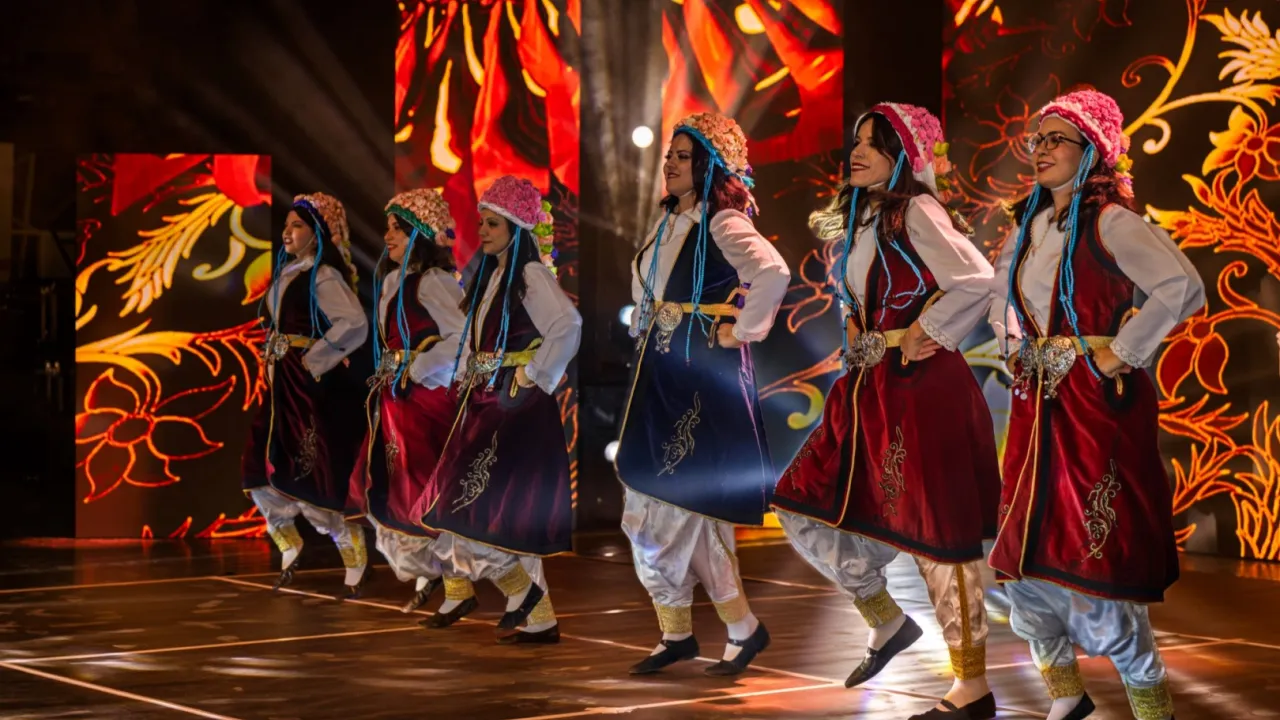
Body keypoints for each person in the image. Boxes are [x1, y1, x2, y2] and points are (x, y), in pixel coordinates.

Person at [771, 103, 1001, 719]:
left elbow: (977, 278)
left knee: (938, 538)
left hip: (921, 391)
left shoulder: (915, 210)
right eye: (855, 141)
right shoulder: (867, 218)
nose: (856, 152)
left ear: (902, 158)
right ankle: (886, 619)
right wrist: (855, 320)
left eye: (873, 143)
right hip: (869, 388)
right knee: (801, 500)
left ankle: (972, 687)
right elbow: (869, 291)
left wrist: (927, 328)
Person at [988, 89, 1204, 720]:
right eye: (1037, 139)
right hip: (1037, 403)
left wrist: (1120, 354)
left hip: (1095, 404)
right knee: (1025, 553)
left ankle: (1151, 707)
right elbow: (1001, 294)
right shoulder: (1030, 226)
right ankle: (1066, 698)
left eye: (1057, 139)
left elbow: (1182, 287)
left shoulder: (1111, 221)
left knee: (1095, 552)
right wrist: (1013, 346)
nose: (1040, 150)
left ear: (1093, 151)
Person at [614, 112, 791, 677]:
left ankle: (731, 628)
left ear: (710, 166)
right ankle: (692, 631)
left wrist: (739, 329)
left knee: (676, 510)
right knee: (655, 508)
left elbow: (772, 272)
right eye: (669, 154)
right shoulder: (669, 221)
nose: (669, 163)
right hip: (662, 372)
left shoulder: (723, 222)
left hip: (698, 378)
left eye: (683, 156)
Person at [417, 175, 580, 644]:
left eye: (493, 224)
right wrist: (463, 377)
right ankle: (540, 617)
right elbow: (474, 341)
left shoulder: (529, 275)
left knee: (471, 504)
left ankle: (524, 593)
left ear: (516, 228)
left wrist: (533, 374)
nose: (483, 231)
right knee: (507, 512)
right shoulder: (493, 276)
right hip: (488, 400)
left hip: (513, 405)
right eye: (481, 223)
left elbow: (568, 326)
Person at [347, 188, 476, 614]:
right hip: (396, 403)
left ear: (419, 234)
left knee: (425, 491)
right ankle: (435, 575)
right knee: (392, 487)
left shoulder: (435, 282)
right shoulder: (391, 282)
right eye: (387, 228)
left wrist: (418, 368)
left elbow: (462, 341)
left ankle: (457, 586)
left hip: (425, 402)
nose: (387, 236)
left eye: (397, 229)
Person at [243, 192, 371, 598]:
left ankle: (352, 553)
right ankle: (287, 540)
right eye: (286, 226)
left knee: (311, 465)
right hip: (281, 382)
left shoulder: (323, 276)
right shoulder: (287, 273)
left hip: (305, 385)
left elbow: (353, 323)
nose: (287, 233)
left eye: (297, 226)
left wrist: (314, 359)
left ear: (316, 234)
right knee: (258, 464)